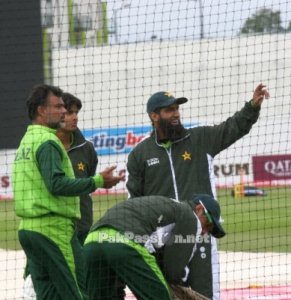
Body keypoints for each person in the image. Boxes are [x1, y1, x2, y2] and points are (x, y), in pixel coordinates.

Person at [126, 83, 270, 299]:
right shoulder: (140, 154)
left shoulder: (200, 138)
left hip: (201, 231)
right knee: (166, 294)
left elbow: (233, 127)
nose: (175, 114)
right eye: (169, 110)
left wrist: (252, 106)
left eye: (177, 109)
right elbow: (134, 201)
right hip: (163, 240)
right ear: (154, 116)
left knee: (205, 293)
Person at [12, 84, 124, 300]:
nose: (64, 111)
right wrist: (98, 180)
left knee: (48, 295)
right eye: (59, 106)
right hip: (54, 231)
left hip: (28, 231)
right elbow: (57, 185)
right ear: (41, 110)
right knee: (78, 292)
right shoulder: (48, 142)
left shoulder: (26, 141)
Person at [83, 194, 225, 300]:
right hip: (124, 243)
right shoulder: (190, 217)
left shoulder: (168, 206)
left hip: (92, 242)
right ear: (199, 209)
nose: (205, 231)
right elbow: (173, 271)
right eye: (208, 225)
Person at [56, 92, 98, 245]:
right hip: (54, 227)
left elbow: (88, 182)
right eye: (69, 113)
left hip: (83, 224)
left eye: (76, 112)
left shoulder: (87, 148)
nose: (75, 117)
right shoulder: (44, 146)